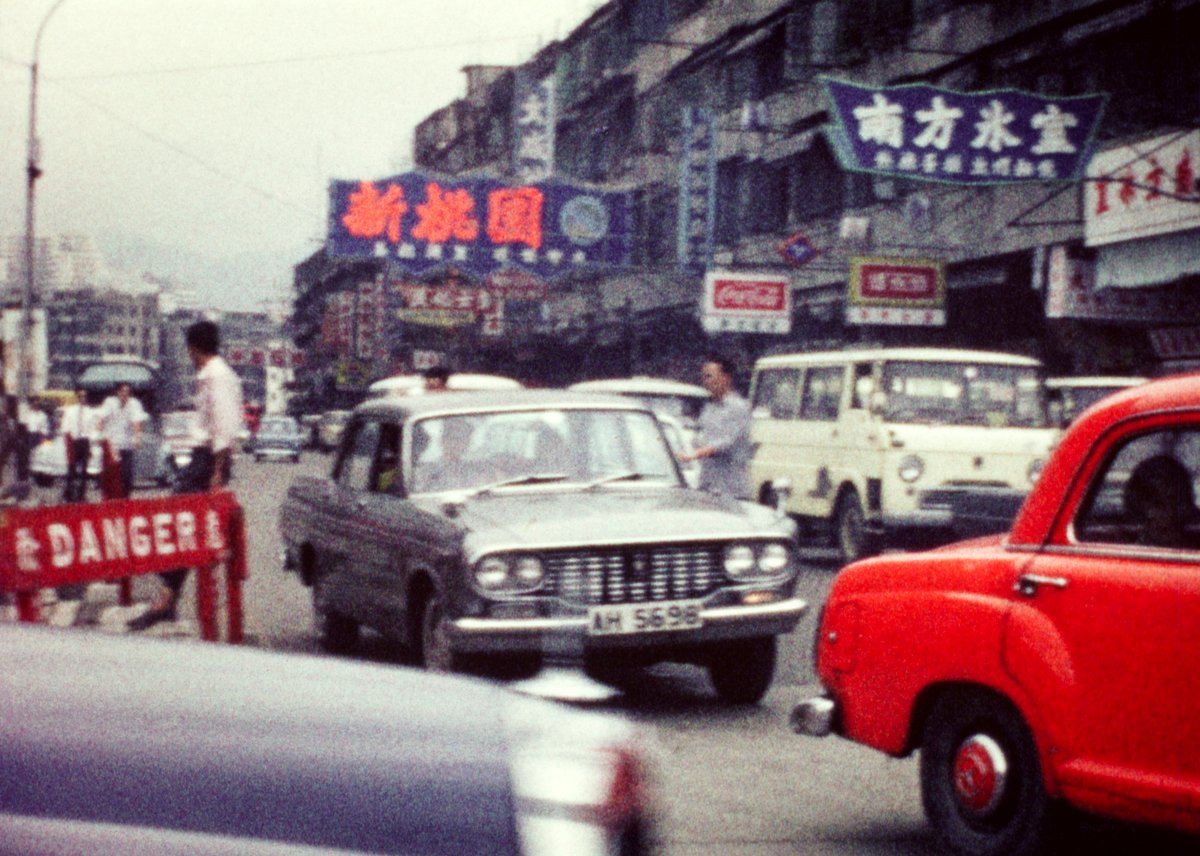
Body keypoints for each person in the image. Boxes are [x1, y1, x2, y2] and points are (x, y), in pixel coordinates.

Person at [128, 319, 243, 632]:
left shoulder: (217, 377)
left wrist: (217, 471)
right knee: (183, 524)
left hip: (209, 460)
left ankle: (167, 600)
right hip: (206, 458)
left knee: (180, 519)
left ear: (193, 347)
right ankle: (168, 597)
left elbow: (224, 424)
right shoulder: (215, 375)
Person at [678, 355, 752, 500]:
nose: (706, 382)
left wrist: (695, 454)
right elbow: (699, 437)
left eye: (710, 376)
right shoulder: (709, 408)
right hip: (708, 487)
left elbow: (725, 443)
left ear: (726, 378)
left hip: (731, 491)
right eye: (704, 377)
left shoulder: (738, 408)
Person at [1123, 453, 1200, 549]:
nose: (1173, 513)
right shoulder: (1134, 558)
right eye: (1162, 503)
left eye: (1179, 502)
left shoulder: (1192, 553)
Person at [97, 382, 148, 498]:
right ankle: (109, 499)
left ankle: (125, 499)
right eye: (123, 391)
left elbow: (136, 422)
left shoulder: (134, 403)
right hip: (112, 445)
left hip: (127, 444)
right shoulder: (109, 402)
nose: (125, 394)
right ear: (118, 392)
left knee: (127, 475)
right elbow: (101, 419)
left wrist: (137, 437)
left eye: (127, 392)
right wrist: (99, 435)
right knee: (111, 475)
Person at [60, 386, 98, 503]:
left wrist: (91, 443)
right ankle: (69, 493)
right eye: (80, 396)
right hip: (74, 441)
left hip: (85, 442)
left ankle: (81, 494)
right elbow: (65, 427)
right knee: (71, 469)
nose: (83, 398)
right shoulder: (70, 411)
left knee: (84, 471)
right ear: (77, 397)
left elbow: (93, 429)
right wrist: (68, 442)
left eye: (85, 396)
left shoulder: (90, 412)